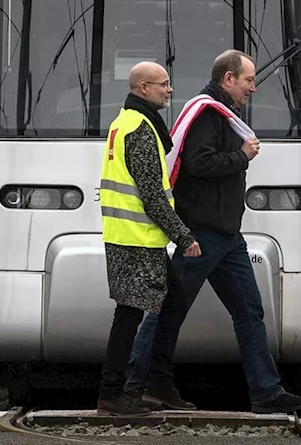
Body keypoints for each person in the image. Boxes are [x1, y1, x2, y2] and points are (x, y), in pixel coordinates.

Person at [125, 50, 301, 414]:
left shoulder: (222, 115)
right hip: (202, 232)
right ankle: (136, 388)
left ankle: (266, 394)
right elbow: (199, 163)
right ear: (228, 80)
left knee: (249, 312)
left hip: (227, 235)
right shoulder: (208, 114)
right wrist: (242, 156)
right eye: (248, 80)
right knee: (167, 311)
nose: (253, 88)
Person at [97, 62, 201, 415]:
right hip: (136, 239)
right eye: (163, 84)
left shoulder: (123, 122)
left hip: (131, 237)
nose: (169, 90)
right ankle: (113, 394)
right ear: (144, 88)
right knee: (129, 316)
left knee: (170, 303)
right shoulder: (140, 129)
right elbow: (153, 196)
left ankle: (153, 382)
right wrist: (184, 237)